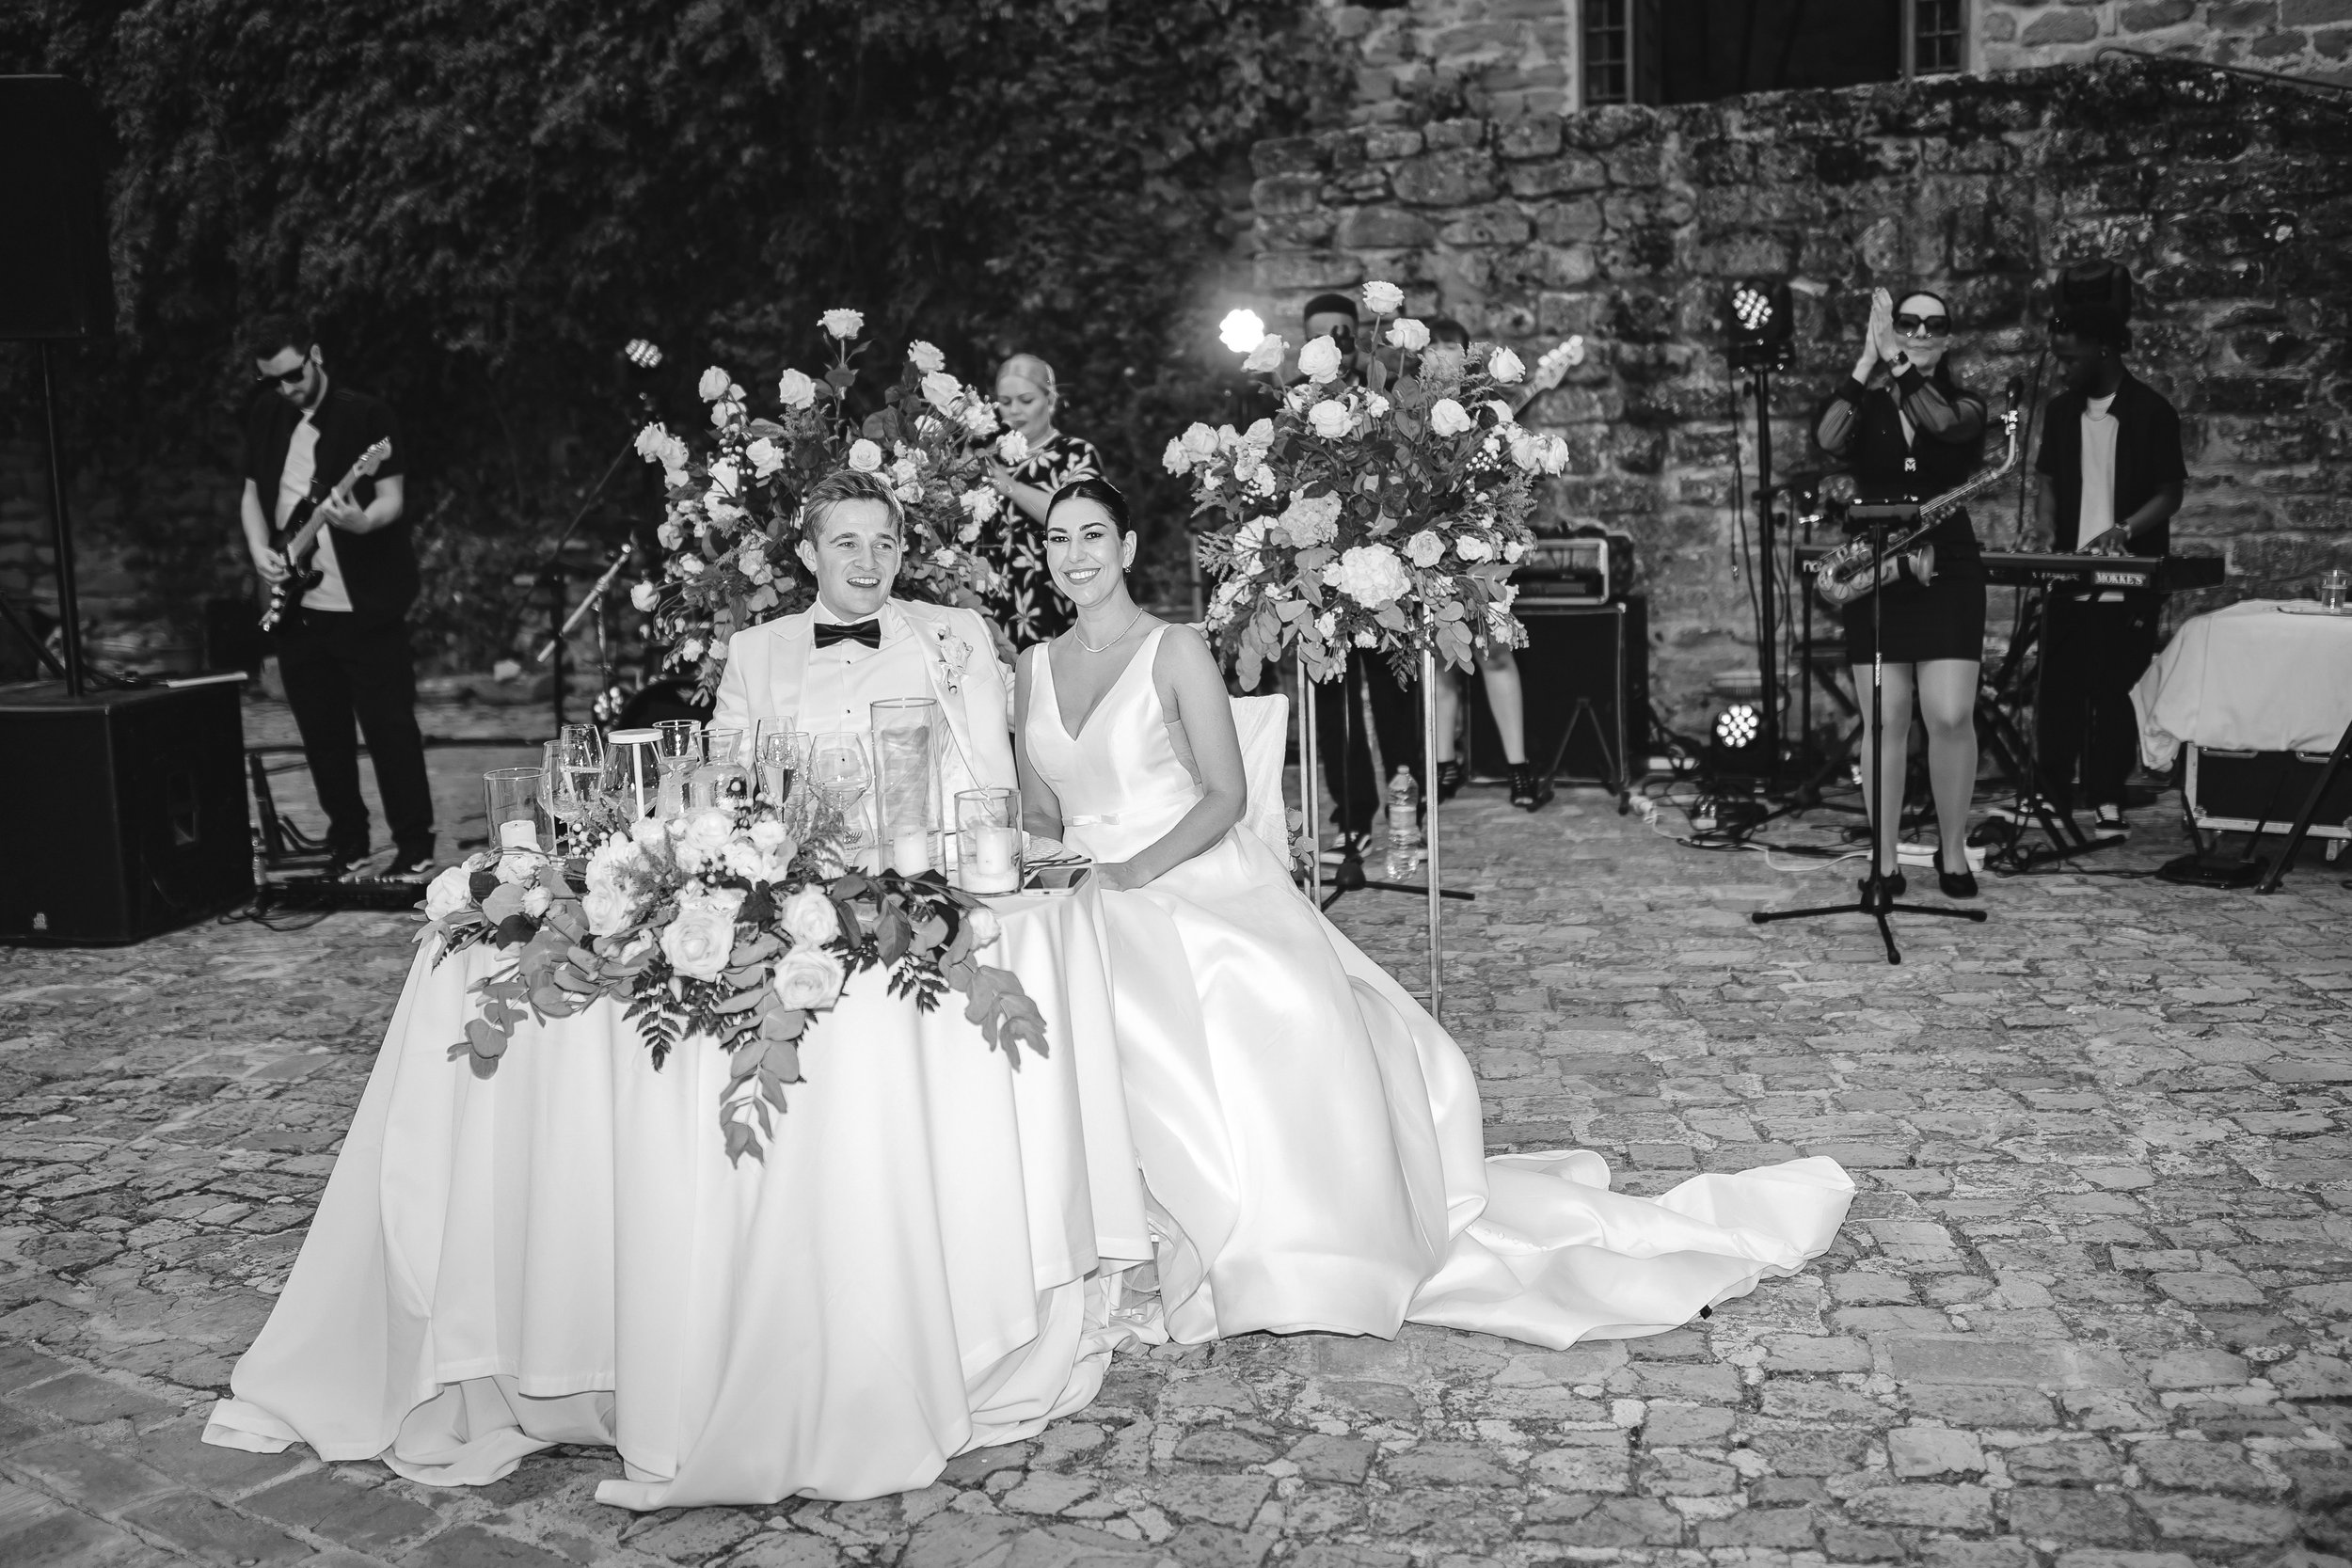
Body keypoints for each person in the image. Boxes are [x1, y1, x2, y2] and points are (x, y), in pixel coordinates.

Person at [1014, 474, 1853, 1348]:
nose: (1075, 555)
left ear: (1127, 548)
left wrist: (1130, 870)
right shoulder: (1032, 668)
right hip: (1075, 885)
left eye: (1092, 536)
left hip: (1179, 868)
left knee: (1253, 1001)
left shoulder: (1174, 650)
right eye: (1060, 539)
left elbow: (1224, 795)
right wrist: (1059, 871)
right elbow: (1038, 813)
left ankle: (1270, 1227)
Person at [240, 314, 434, 879]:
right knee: (322, 735)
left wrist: (361, 520)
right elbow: (251, 492)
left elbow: (392, 497)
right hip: (298, 604)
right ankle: (348, 841)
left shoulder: (366, 416)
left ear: (316, 355)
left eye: (293, 374)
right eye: (273, 379)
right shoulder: (267, 414)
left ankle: (414, 845)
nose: (286, 388)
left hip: (365, 606)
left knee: (389, 729)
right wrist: (258, 548)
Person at [1813, 287, 1988, 901]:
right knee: (1886, 719)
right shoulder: (1870, 401)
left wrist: (1899, 364)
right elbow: (1829, 439)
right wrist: (1867, 361)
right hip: (1880, 560)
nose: (1917, 330)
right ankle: (1883, 862)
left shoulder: (1964, 403)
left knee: (1949, 714)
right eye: (1905, 322)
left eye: (1931, 323)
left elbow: (1941, 423)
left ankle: (1953, 846)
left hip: (1949, 563)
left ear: (1948, 336)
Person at [712, 467, 1014, 807]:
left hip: (924, 854)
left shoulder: (956, 632)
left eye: (882, 545)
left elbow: (1041, 706)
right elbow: (722, 774)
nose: (868, 562)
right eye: (847, 543)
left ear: (900, 555)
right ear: (810, 555)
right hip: (802, 853)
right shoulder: (754, 651)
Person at [2026, 302, 2185, 841]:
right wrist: (2046, 533)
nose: (2061, 371)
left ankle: (2108, 799)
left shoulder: (2151, 411)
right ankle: (2050, 795)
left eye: (2069, 361)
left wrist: (2124, 531)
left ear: (2104, 351)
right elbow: (2047, 480)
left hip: (2128, 579)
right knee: (2058, 692)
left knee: (2115, 691)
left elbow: (2170, 492)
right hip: (2069, 578)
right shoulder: (2062, 411)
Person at [1297, 293, 1422, 861]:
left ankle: (1408, 805)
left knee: (1397, 696)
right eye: (1325, 336)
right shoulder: (1292, 411)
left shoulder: (1381, 399)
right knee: (1332, 701)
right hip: (1323, 581)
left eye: (1346, 333)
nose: (1339, 345)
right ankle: (1350, 813)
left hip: (1381, 572)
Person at [1419, 318, 1542, 808]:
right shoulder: (1407, 407)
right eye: (1433, 350)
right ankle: (1443, 766)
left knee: (1496, 651)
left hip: (1478, 539)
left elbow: (1509, 467)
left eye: (1450, 349)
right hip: (1428, 541)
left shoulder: (1486, 407)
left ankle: (1519, 769)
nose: (1440, 358)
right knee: (1441, 657)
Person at [981, 353, 1104, 646]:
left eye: (1026, 400)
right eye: (1006, 401)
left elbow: (1080, 518)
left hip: (1053, 605)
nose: (1014, 411)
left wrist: (1011, 487)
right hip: (989, 610)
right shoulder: (983, 457)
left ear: (1049, 400)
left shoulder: (1076, 454)